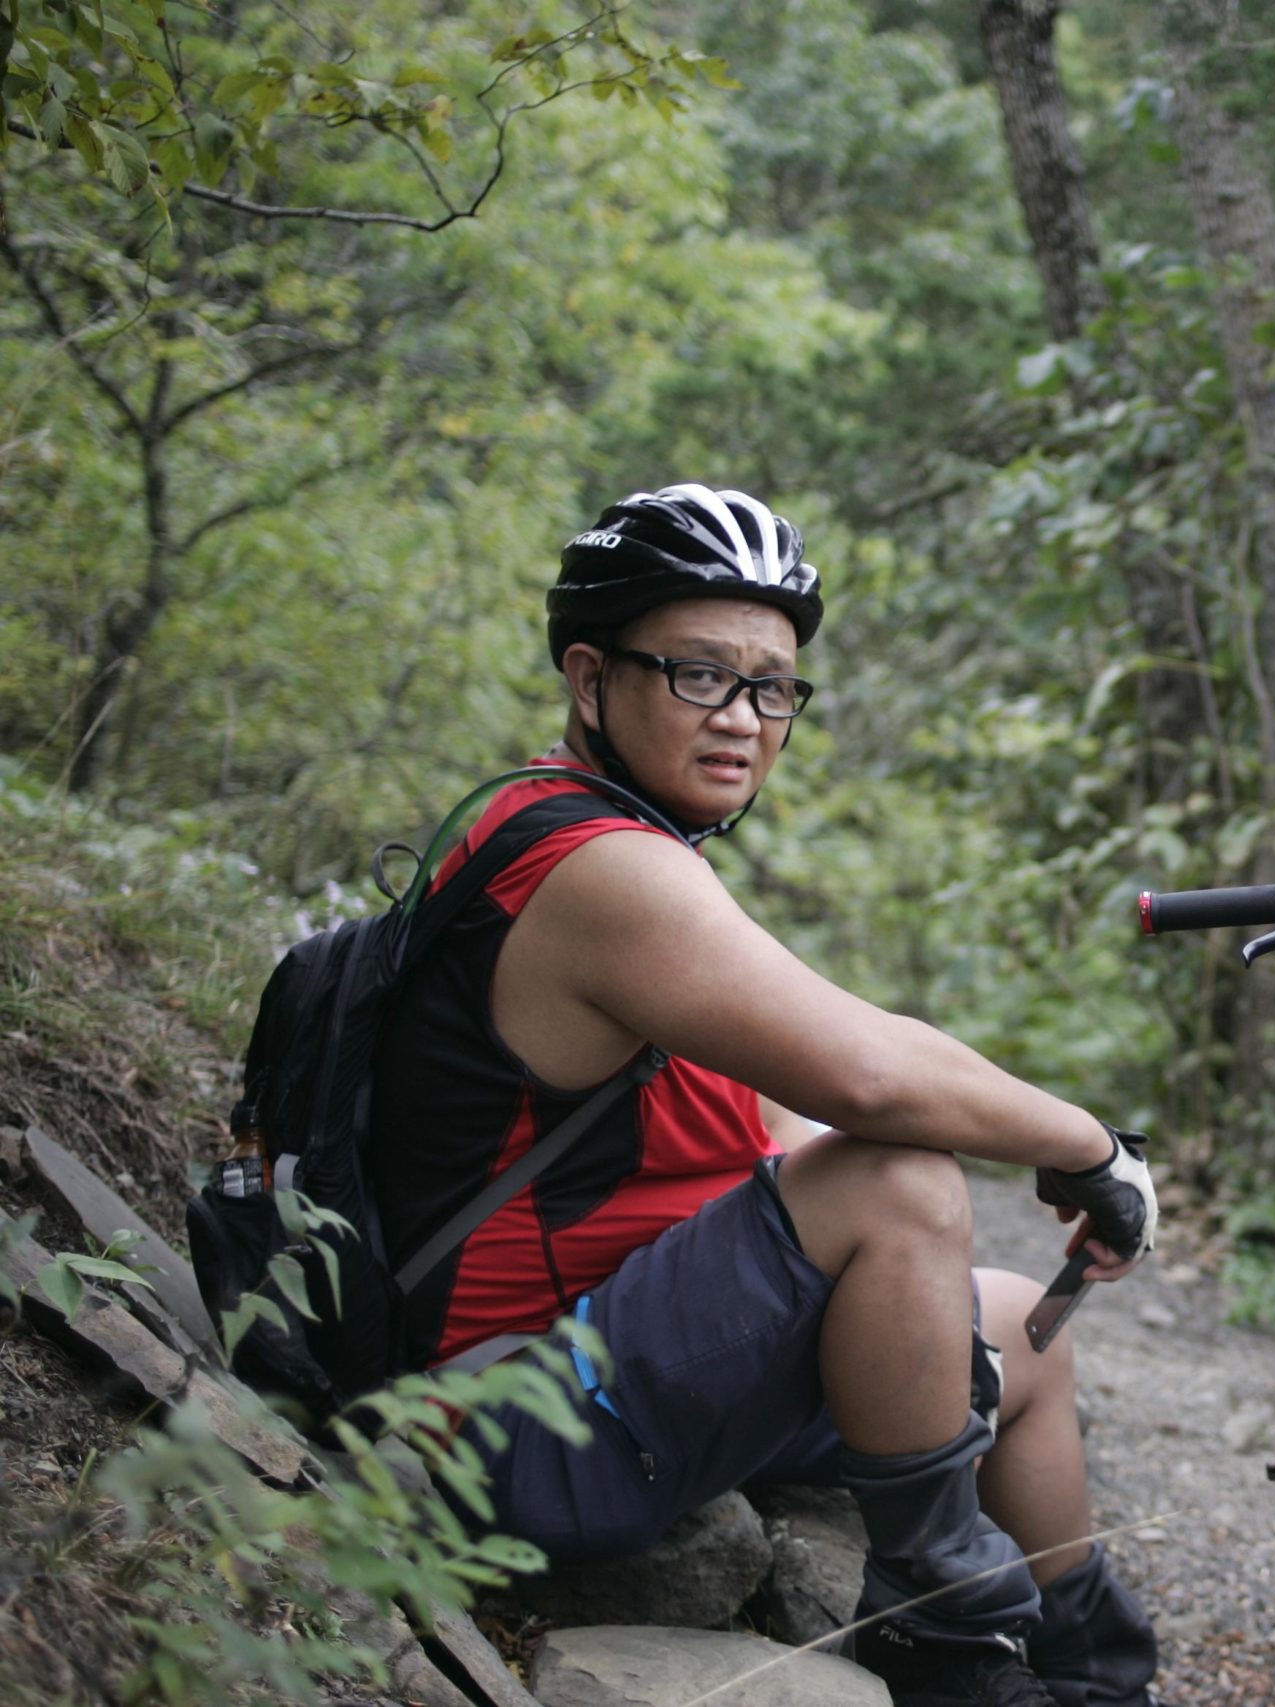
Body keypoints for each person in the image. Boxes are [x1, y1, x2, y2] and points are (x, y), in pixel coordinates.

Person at [365, 484, 1159, 1707]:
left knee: (1020, 1344)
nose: (744, 718)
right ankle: (945, 1639)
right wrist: (1090, 1150)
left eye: (773, 686)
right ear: (590, 680)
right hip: (506, 1417)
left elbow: (793, 1125)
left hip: (612, 1356)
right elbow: (872, 1076)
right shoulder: (595, 868)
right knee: (899, 1180)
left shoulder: (624, 846)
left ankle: (1096, 1673)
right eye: (698, 675)